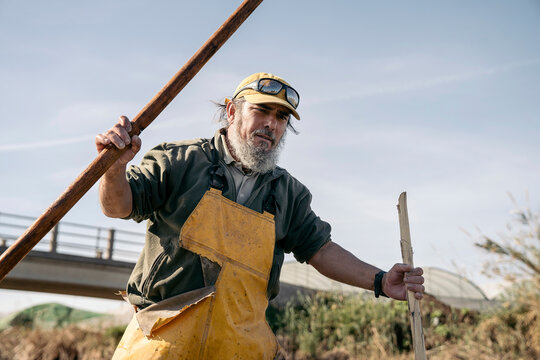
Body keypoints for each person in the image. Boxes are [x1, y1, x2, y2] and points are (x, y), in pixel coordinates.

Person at [96, 72, 425, 359]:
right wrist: (114, 169)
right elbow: (118, 206)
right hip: (161, 345)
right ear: (232, 111)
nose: (272, 123)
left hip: (240, 350)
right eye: (262, 110)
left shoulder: (287, 193)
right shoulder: (181, 161)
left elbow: (321, 250)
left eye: (282, 117)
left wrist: (381, 281)